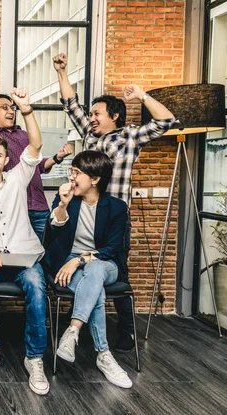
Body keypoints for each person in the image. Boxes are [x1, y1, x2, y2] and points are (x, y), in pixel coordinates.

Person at [53, 52, 175, 352]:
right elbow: (71, 105)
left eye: (97, 113)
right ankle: (77, 323)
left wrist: (142, 94)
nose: (91, 117)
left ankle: (126, 329)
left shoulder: (129, 136)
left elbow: (167, 120)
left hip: (113, 217)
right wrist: (62, 71)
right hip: (85, 213)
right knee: (83, 262)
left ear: (114, 116)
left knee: (116, 268)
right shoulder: (89, 136)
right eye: (91, 114)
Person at [0, 89, 50, 396]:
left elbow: (36, 145)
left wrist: (27, 111)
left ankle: (35, 357)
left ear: (5, 159)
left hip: (23, 257)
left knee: (37, 285)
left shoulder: (18, 177)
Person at [44, 150, 132, 389]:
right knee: (97, 292)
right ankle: (104, 355)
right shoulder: (65, 198)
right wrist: (62, 205)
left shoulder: (115, 207)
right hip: (71, 263)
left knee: (95, 270)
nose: (72, 178)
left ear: (95, 179)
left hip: (105, 264)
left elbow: (112, 249)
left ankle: (73, 329)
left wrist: (80, 260)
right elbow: (49, 236)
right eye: (71, 171)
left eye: (77, 173)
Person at [0, 63, 73, 241]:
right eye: (4, 107)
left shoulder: (23, 134)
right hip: (12, 208)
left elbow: (38, 165)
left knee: (42, 254)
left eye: (12, 107)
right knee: (13, 256)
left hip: (37, 205)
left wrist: (57, 158)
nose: (11, 111)